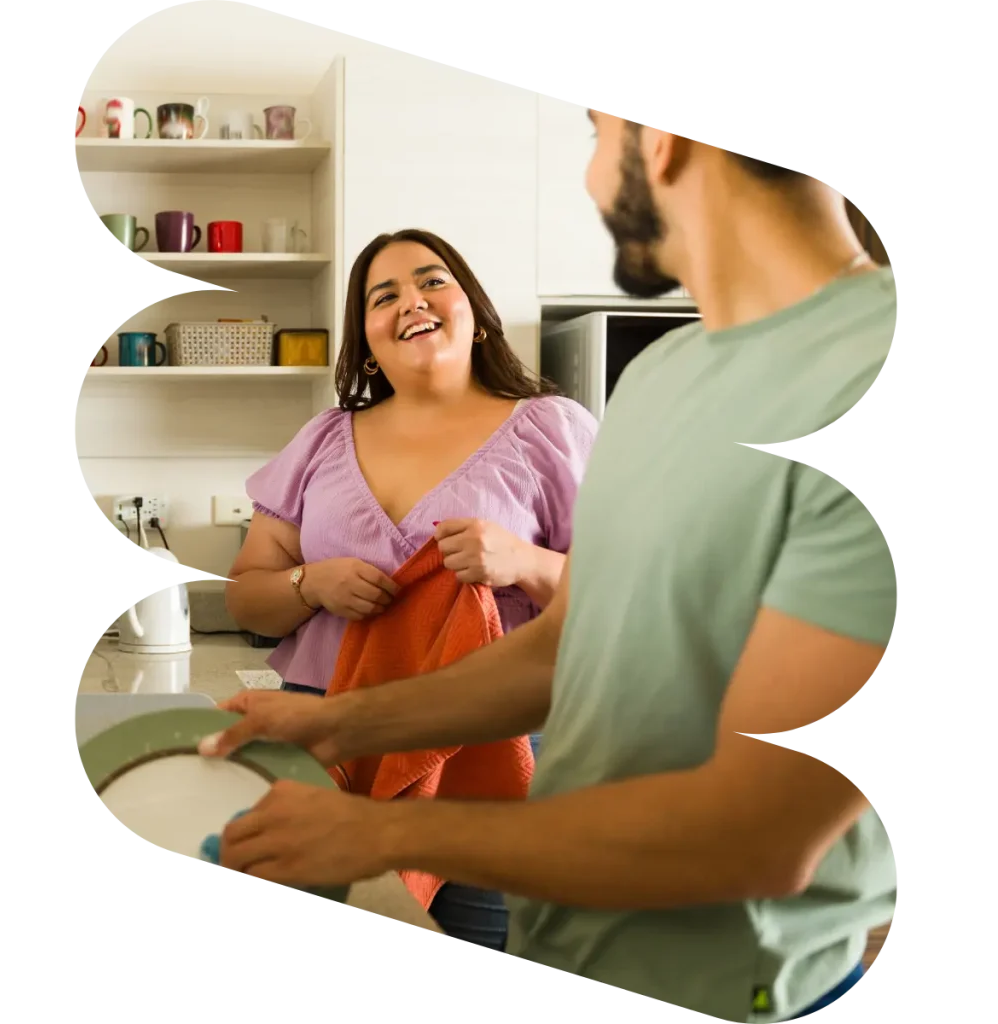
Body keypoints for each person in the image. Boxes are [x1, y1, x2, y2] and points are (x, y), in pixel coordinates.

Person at [202, 118, 899, 1024]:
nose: (588, 175)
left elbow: (765, 832)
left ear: (661, 143)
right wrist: (338, 723)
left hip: (739, 985)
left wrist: (383, 831)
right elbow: (566, 645)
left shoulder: (868, 366)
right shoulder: (663, 379)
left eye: (596, 131)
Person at [222, 227, 598, 949]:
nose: (411, 302)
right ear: (366, 340)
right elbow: (247, 597)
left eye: (432, 282)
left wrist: (524, 562)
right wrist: (309, 583)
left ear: (475, 311)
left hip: (491, 739)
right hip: (326, 741)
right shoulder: (323, 440)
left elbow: (627, 600)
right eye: (383, 295)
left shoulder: (553, 429)